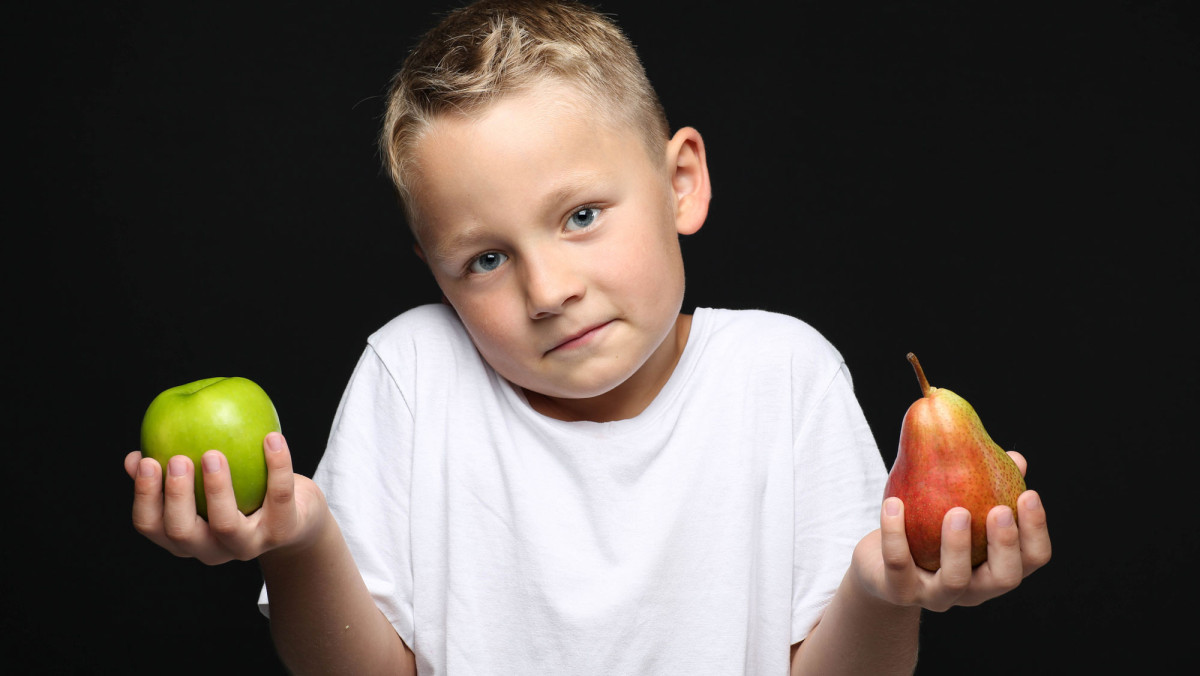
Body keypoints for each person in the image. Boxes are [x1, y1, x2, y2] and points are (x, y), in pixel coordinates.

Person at [125, 1, 1051, 673]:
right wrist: (299, 539)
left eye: (579, 216)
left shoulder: (785, 373)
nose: (548, 290)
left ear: (680, 182)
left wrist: (883, 592)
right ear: (434, 273)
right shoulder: (412, 371)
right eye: (484, 260)